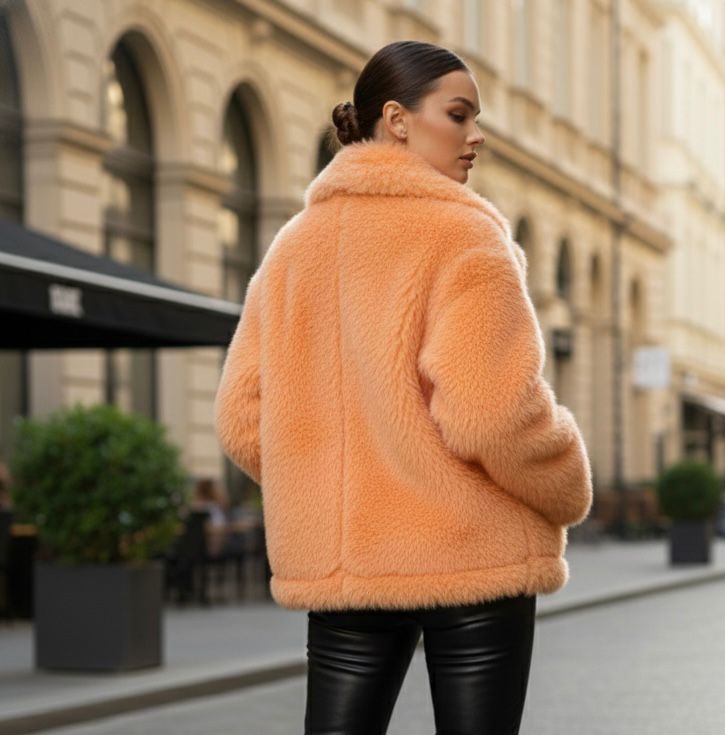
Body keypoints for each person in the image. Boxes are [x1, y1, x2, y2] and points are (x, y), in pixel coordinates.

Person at [214, 40, 593, 735]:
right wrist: (566, 483)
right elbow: (492, 413)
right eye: (458, 114)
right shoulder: (464, 235)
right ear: (395, 119)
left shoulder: (293, 247)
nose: (476, 135)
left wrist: (325, 485)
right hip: (472, 552)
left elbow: (241, 416)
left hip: (347, 565)